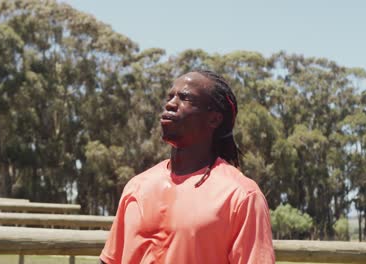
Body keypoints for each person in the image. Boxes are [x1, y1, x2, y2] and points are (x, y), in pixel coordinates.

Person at [100, 70, 275, 263]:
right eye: (170, 96)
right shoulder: (137, 186)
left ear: (214, 119)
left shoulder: (241, 196)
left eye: (185, 98)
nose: (170, 104)